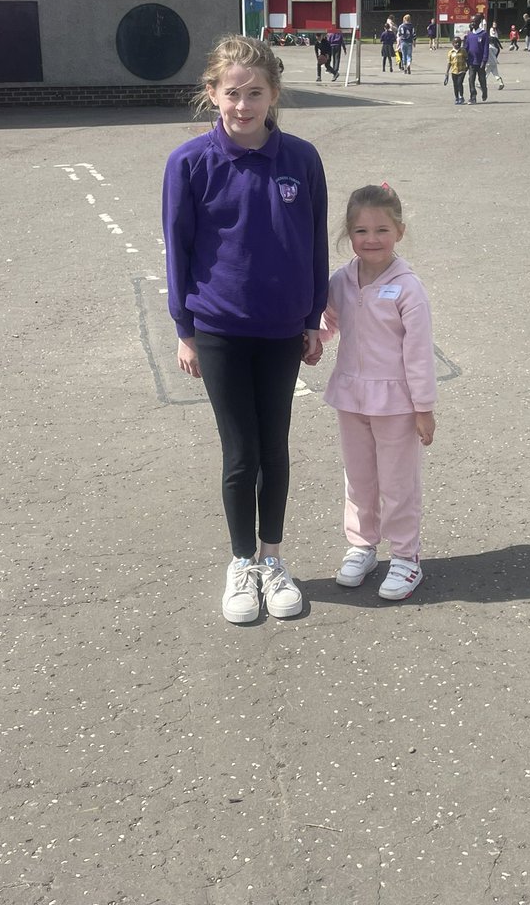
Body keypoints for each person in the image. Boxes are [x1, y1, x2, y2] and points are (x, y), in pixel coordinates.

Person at [162, 35, 329, 625]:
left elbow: (314, 242)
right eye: (232, 93)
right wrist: (184, 329)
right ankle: (241, 563)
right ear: (212, 94)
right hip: (219, 329)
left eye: (255, 93)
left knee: (274, 447)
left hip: (282, 329)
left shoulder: (301, 160)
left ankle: (272, 560)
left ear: (274, 94)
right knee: (241, 453)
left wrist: (312, 318)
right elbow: (179, 249)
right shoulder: (189, 163)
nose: (243, 105)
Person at [319, 184, 436, 601]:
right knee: (359, 478)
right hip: (351, 397)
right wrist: (313, 339)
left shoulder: (408, 288)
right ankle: (362, 545)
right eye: (361, 231)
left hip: (396, 404)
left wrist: (424, 408)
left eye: (382, 230)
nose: (371, 239)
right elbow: (330, 320)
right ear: (348, 234)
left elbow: (418, 353)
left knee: (398, 482)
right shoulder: (340, 280)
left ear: (399, 232)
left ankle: (405, 556)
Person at [463, 12, 489, 102]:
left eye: (474, 21)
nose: (472, 23)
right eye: (471, 21)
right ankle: (473, 96)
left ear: (479, 22)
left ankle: (484, 90)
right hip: (471, 62)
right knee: (471, 79)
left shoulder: (483, 34)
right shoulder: (469, 35)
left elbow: (486, 48)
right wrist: (464, 58)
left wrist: (484, 60)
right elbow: (466, 48)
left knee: (482, 79)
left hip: (480, 61)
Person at [446, 36, 468, 105]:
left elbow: (467, 59)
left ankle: (461, 96)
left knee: (459, 83)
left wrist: (467, 68)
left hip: (462, 70)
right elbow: (449, 62)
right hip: (454, 71)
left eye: (459, 42)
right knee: (455, 85)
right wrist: (447, 72)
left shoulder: (463, 51)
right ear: (453, 43)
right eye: (456, 43)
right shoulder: (450, 52)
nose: (457, 44)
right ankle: (456, 97)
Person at [487, 22, 505, 90]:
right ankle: (501, 83)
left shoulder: (488, 47)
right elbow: (496, 53)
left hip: (488, 63)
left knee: (485, 73)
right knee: (496, 74)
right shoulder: (495, 49)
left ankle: (481, 84)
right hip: (494, 62)